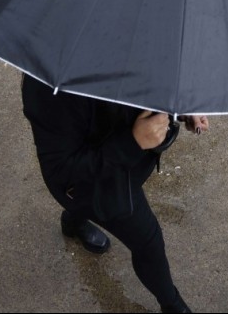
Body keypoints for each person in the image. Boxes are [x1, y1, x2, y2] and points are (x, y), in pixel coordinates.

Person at [20, 74, 208, 313]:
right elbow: (63, 171)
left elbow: (152, 84)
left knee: (92, 212)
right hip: (88, 183)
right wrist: (132, 142)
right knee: (148, 241)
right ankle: (171, 304)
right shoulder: (48, 89)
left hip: (126, 162)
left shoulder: (140, 48)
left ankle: (73, 221)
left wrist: (178, 108)